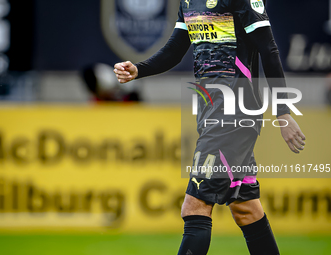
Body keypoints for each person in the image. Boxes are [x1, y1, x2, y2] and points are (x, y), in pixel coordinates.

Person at [113, 0, 306, 254]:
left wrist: (283, 113)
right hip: (211, 113)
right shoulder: (189, 2)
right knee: (246, 210)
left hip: (233, 113)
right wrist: (139, 69)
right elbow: (175, 49)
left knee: (194, 207)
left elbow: (269, 50)